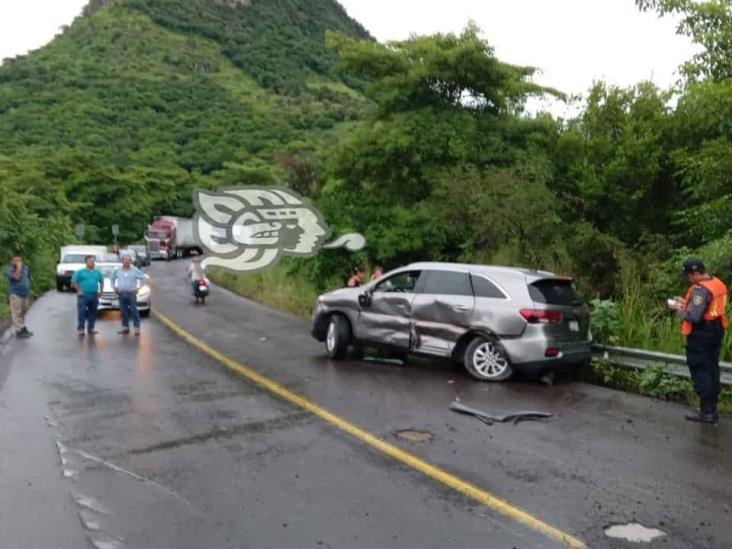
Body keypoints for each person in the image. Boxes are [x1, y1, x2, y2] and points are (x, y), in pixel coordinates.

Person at [668, 259, 728, 423]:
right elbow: (707, 308)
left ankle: (706, 411)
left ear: (695, 274)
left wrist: (678, 309)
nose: (688, 279)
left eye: (688, 276)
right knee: (711, 368)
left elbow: (693, 316)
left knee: (701, 369)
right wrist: (685, 302)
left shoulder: (701, 291)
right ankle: (711, 407)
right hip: (715, 329)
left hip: (702, 334)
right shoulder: (717, 284)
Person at [113, 253, 146, 335]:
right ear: (122, 261)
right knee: (123, 311)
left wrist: (139, 288)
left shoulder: (135, 270)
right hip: (121, 293)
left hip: (131, 293)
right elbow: (112, 278)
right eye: (125, 260)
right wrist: (114, 287)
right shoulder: (118, 270)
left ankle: (137, 328)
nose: (127, 262)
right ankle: (125, 328)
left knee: (133, 311)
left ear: (131, 261)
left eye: (128, 260)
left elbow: (143, 278)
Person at [71, 255, 104, 336]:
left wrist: (101, 291)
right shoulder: (80, 272)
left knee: (93, 312)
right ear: (86, 262)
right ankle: (81, 329)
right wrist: (79, 290)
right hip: (83, 295)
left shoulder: (97, 272)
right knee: (82, 312)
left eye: (93, 261)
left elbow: (101, 282)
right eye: (90, 261)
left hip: (94, 294)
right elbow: (73, 283)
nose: (92, 263)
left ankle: (91, 328)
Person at [5, 254, 32, 339]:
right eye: (15, 260)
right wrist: (19, 268)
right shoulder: (9, 270)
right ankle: (18, 331)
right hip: (16, 294)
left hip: (25, 294)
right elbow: (17, 277)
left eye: (19, 260)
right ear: (12, 261)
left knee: (23, 312)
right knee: (16, 312)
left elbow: (28, 277)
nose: (17, 262)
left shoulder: (26, 268)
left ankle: (22, 327)